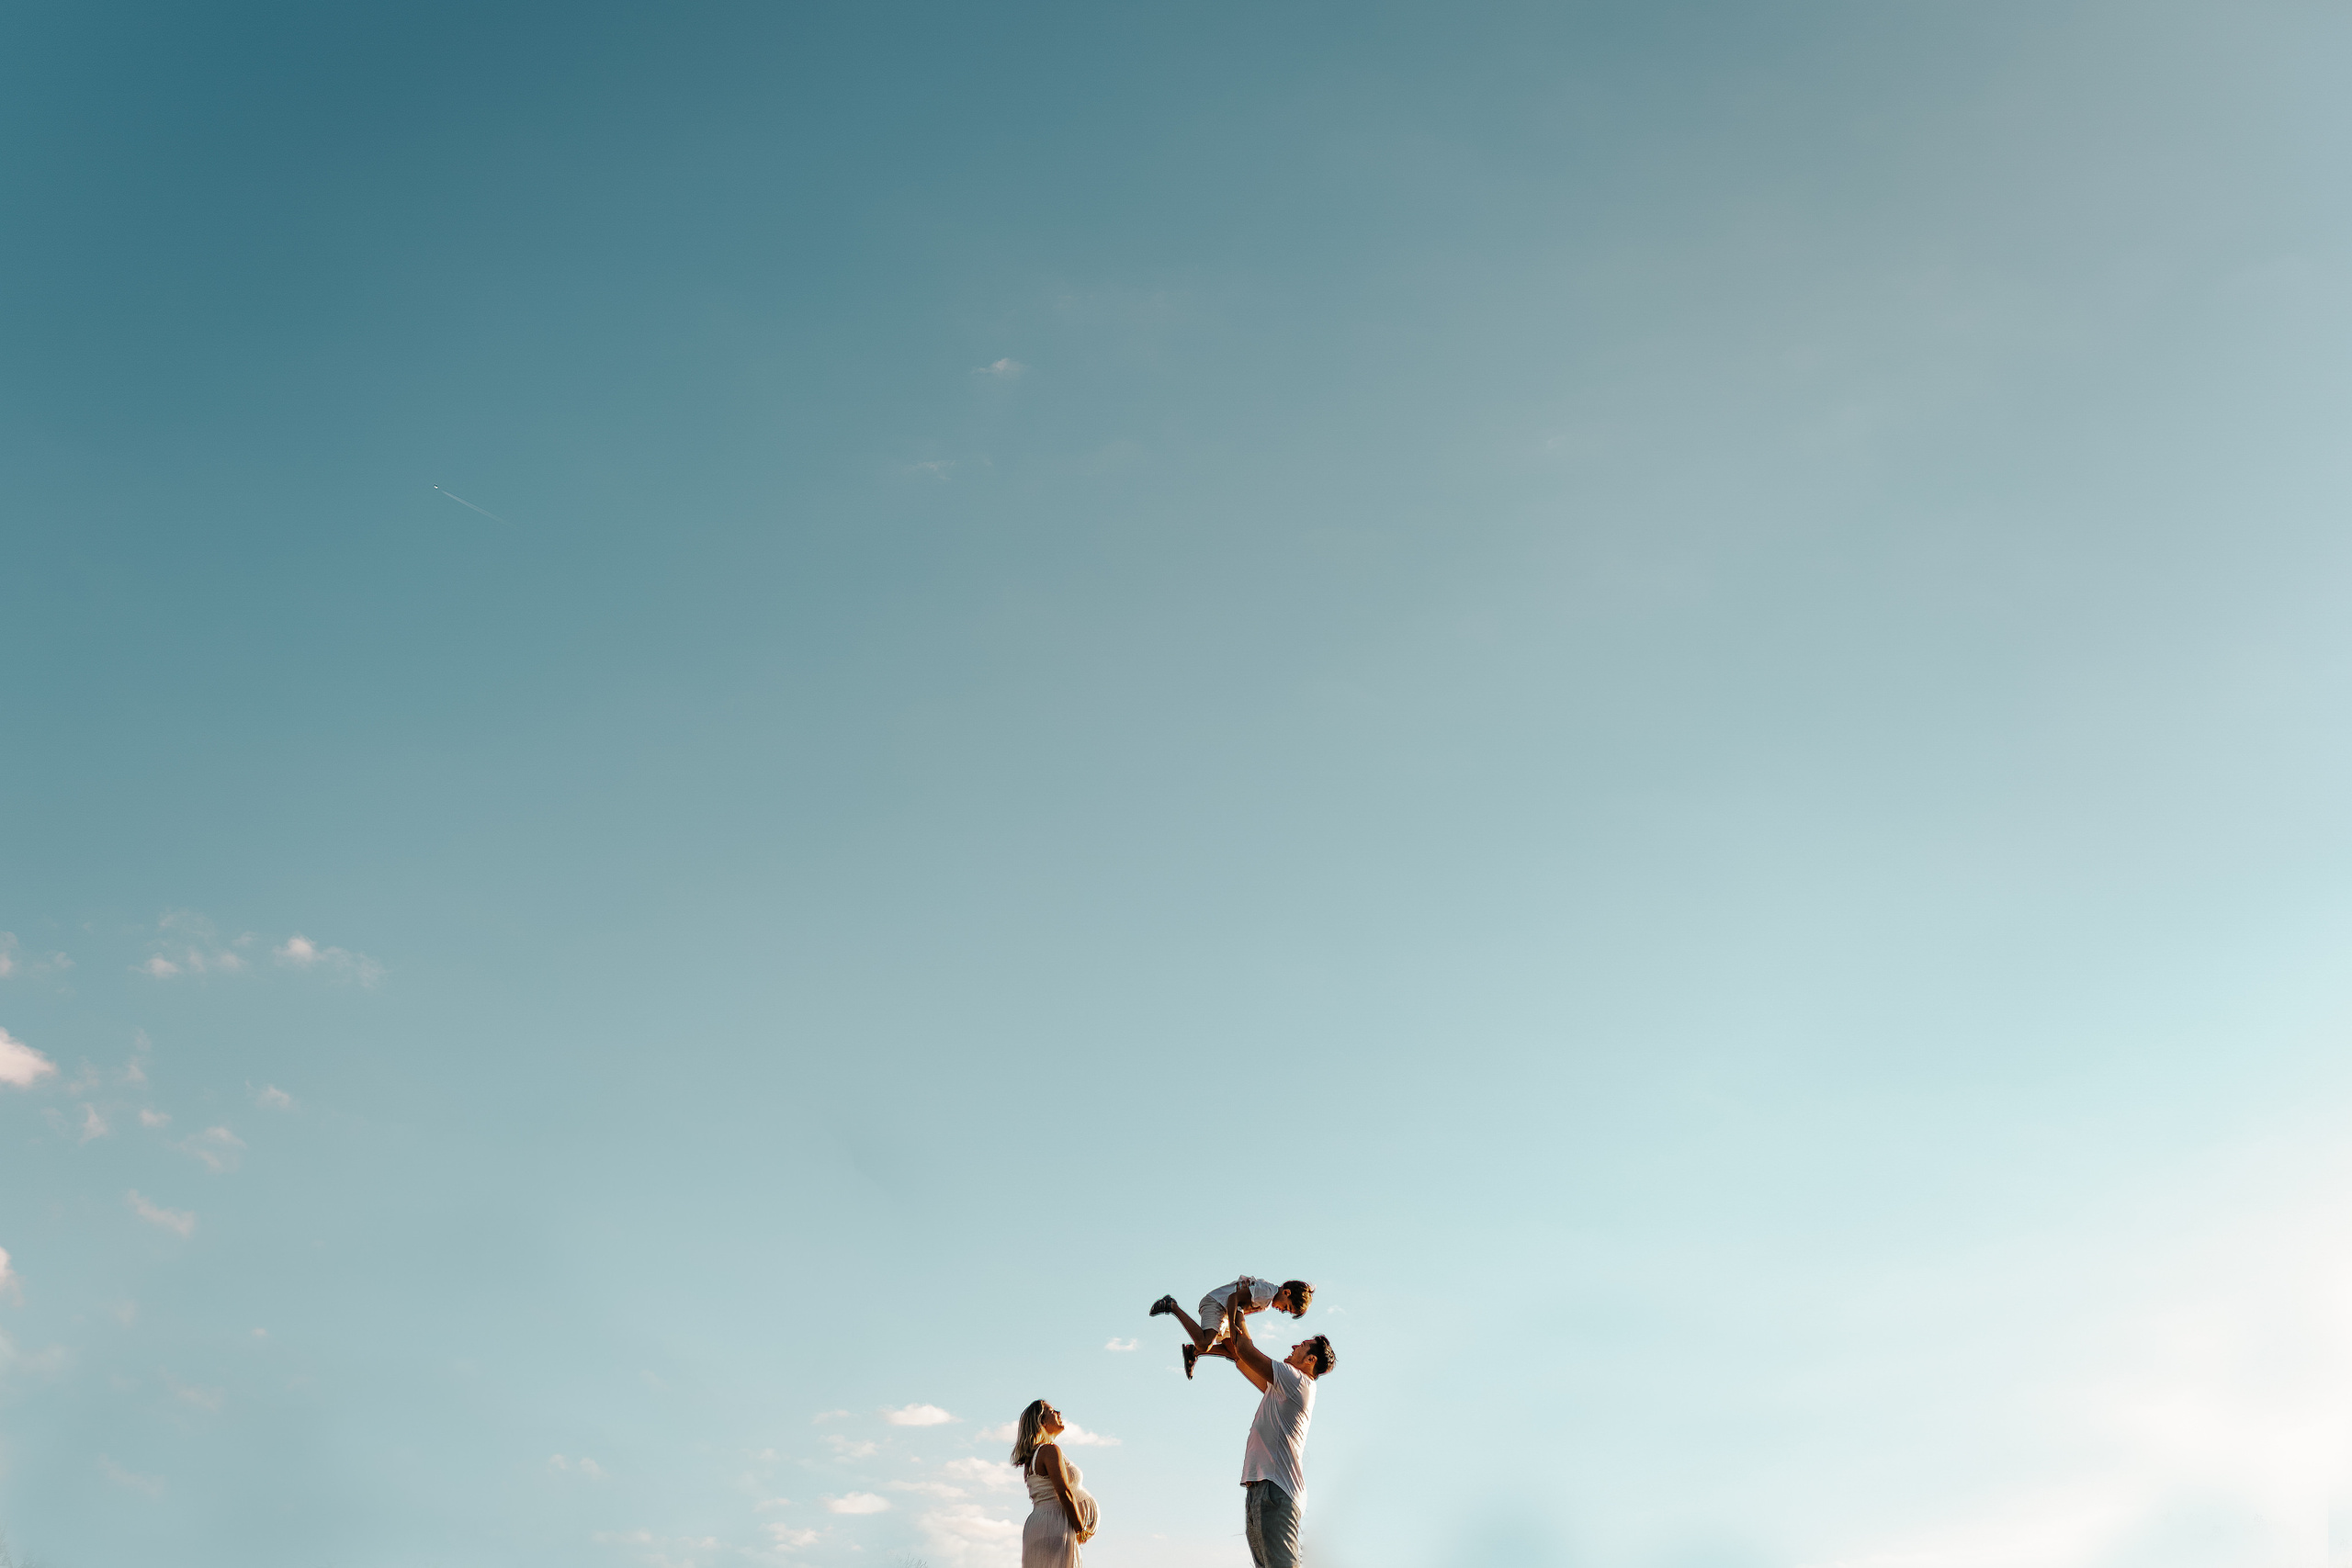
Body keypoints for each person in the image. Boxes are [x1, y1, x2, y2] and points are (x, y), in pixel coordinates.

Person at [1223, 1300, 1333, 1568]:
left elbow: (1246, 1351)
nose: (1294, 1346)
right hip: (1263, 1488)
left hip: (1276, 1489)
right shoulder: (1282, 1387)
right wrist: (1239, 1317)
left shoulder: (1297, 1381)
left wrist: (1235, 1303)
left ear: (1310, 1360)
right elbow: (1241, 1357)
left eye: (1301, 1345)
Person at [1148, 1276, 1314, 1379]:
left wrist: (1233, 1324)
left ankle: (1193, 1351)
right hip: (1217, 1303)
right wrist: (1234, 1326)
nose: (1282, 1310)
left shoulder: (1268, 1301)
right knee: (1205, 1342)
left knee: (1236, 1352)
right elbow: (1233, 1298)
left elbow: (1241, 1306)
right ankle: (1172, 1306)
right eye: (1287, 1307)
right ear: (1286, 1293)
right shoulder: (1267, 1292)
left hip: (1227, 1313)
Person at [1010, 1397, 1097, 1568]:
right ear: (1040, 1421)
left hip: (1041, 1524)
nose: (1059, 1413)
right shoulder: (1049, 1450)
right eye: (1052, 1411)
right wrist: (1081, 1529)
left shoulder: (1032, 1458)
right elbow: (1063, 1492)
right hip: (1054, 1524)